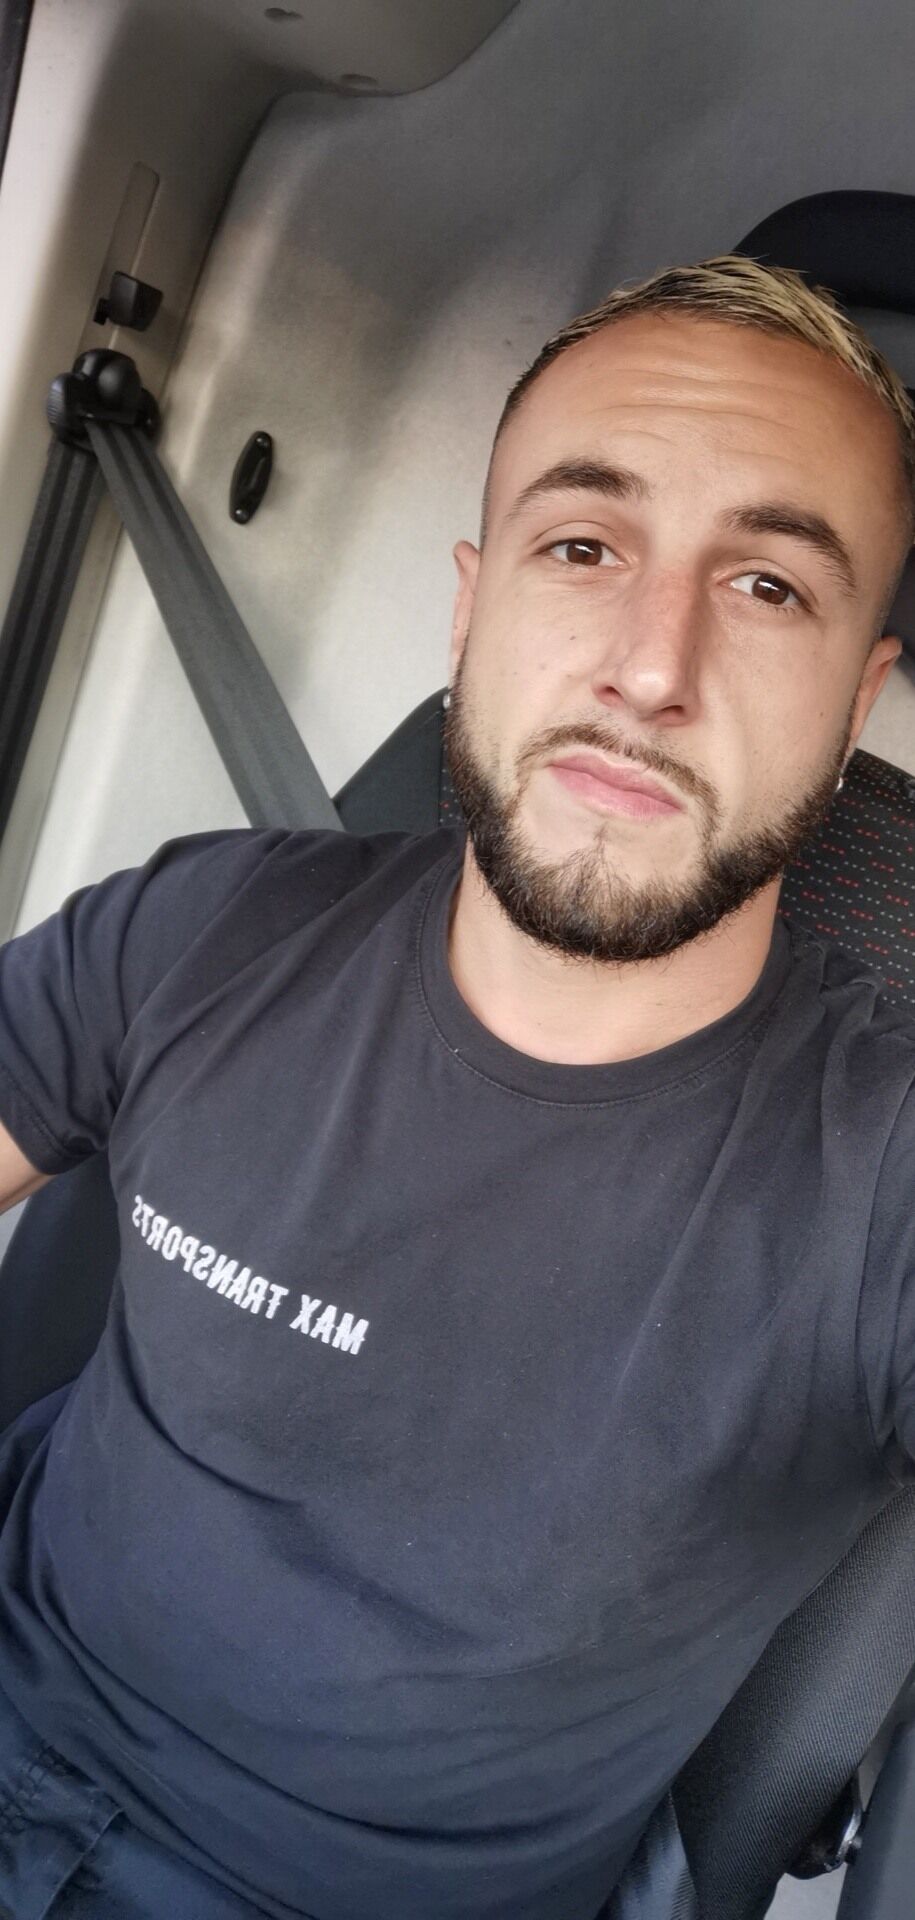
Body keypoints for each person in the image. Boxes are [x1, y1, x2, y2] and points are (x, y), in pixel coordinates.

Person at [0, 254, 910, 1920]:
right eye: (585, 546)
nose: (651, 665)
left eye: (770, 584)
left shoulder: (881, 1174)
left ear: (861, 703)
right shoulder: (209, 925)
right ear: (470, 609)